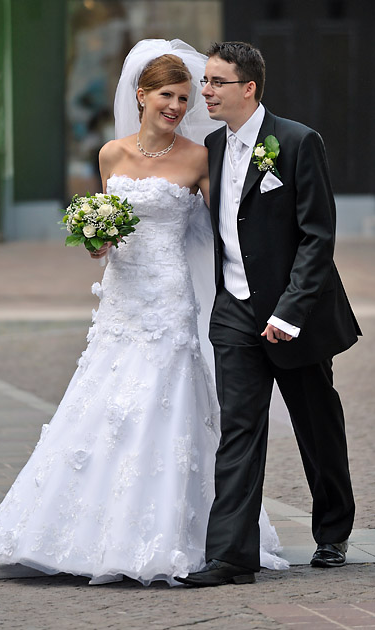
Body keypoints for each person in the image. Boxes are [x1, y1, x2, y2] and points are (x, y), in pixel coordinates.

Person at [0, 39, 288, 586]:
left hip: (168, 296)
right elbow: (108, 229)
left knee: (166, 400)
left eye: (185, 98)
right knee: (105, 400)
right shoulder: (110, 155)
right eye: (168, 95)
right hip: (120, 296)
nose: (177, 106)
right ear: (141, 95)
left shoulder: (199, 157)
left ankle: (182, 534)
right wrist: (96, 241)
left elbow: (228, 226)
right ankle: (84, 532)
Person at [176, 41, 361, 588]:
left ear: (249, 87)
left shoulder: (298, 141)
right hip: (234, 310)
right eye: (205, 82)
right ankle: (231, 556)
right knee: (238, 430)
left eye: (216, 82)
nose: (205, 92)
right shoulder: (212, 146)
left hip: (293, 316)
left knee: (316, 426)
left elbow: (317, 236)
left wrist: (290, 311)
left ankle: (333, 533)